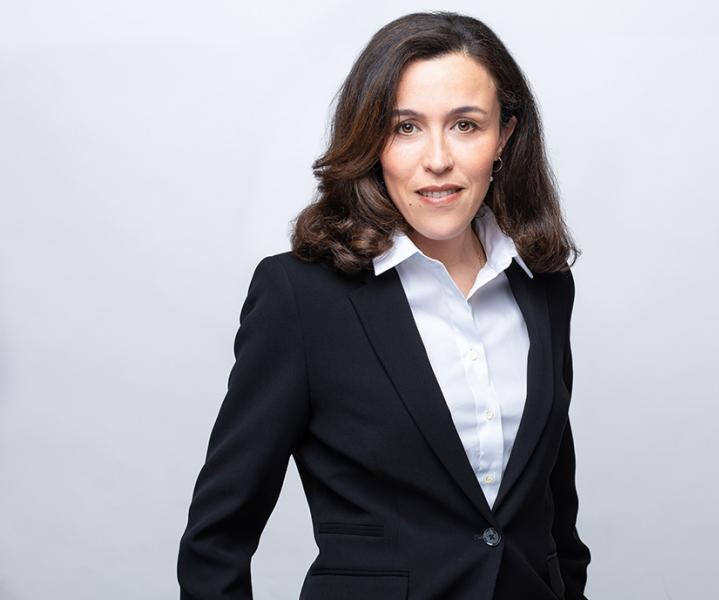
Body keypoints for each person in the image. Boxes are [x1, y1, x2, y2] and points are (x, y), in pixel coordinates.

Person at [177, 11, 591, 600]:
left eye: (466, 125)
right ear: (371, 141)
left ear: (504, 136)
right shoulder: (301, 297)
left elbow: (555, 514)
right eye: (406, 127)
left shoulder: (542, 285)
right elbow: (217, 538)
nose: (438, 158)